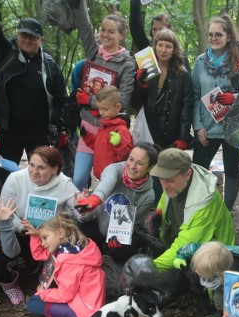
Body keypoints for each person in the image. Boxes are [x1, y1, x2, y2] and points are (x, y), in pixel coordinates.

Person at [0, 0, 67, 166]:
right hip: (8, 131)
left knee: (39, 175)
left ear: (41, 40)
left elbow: (61, 99)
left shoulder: (49, 66)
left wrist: (60, 128)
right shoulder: (6, 54)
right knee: (5, 174)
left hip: (38, 133)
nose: (27, 40)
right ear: (17, 36)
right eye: (23, 35)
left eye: (32, 37)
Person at [71, 0, 136, 191]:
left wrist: (90, 100)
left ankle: (104, 217)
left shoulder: (127, 63)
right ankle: (79, 215)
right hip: (88, 125)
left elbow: (124, 99)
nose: (105, 34)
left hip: (110, 131)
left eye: (111, 31)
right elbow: (84, 27)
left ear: (121, 35)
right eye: (103, 30)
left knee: (107, 181)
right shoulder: (93, 53)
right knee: (78, 179)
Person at [148, 148, 235, 272]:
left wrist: (151, 267)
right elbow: (163, 209)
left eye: (170, 180)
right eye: (161, 178)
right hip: (182, 247)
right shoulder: (173, 184)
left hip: (214, 259)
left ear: (188, 174)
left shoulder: (204, 199)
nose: (165, 185)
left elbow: (186, 244)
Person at [191, 15, 239, 211]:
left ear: (229, 36)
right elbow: (195, 96)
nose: (213, 38)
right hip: (207, 128)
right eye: (210, 34)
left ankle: (225, 211)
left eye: (218, 34)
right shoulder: (200, 62)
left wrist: (235, 98)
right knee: (198, 171)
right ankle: (199, 210)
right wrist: (197, 126)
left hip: (233, 127)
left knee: (231, 170)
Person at [75, 144, 157, 263]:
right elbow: (107, 182)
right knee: (79, 231)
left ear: (150, 168)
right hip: (98, 224)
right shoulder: (114, 169)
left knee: (120, 250)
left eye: (140, 163)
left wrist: (120, 237)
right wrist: (94, 200)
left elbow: (133, 225)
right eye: (131, 159)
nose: (132, 166)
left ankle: (114, 273)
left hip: (119, 232)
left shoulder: (148, 195)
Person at [24, 213, 106, 317]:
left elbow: (65, 295)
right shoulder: (81, 246)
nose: (42, 243)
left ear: (60, 233)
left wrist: (43, 293)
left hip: (86, 308)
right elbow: (40, 254)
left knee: (32, 302)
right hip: (91, 300)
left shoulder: (68, 261)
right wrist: (36, 236)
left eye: (45, 238)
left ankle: (72, 315)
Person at [0, 146, 78, 265]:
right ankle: (25, 264)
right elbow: (5, 211)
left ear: (55, 169)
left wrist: (84, 205)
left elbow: (80, 215)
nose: (34, 171)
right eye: (31, 165)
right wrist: (23, 229)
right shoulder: (15, 178)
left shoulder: (65, 183)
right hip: (22, 228)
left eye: (41, 168)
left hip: (53, 233)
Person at [131, 29, 193, 153]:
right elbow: (135, 103)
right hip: (148, 127)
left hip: (171, 131)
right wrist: (140, 84)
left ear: (174, 49)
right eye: (160, 45)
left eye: (168, 46)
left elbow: (187, 107)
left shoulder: (183, 75)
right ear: (155, 46)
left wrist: (183, 137)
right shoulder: (146, 69)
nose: (163, 50)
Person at [175, 241, 239, 311]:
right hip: (220, 284)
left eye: (201, 271)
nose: (196, 271)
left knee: (232, 304)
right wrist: (180, 256)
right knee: (218, 303)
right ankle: (220, 312)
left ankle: (226, 315)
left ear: (217, 273)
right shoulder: (204, 254)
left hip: (232, 287)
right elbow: (190, 248)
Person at [79, 86, 132, 179]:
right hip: (103, 175)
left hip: (114, 177)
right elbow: (97, 145)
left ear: (118, 107)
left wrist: (119, 144)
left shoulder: (121, 129)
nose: (101, 113)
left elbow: (128, 157)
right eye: (99, 109)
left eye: (105, 109)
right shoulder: (104, 125)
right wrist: (86, 135)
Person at [128, 1, 191, 72]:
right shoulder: (147, 50)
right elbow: (135, 27)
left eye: (161, 29)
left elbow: (187, 80)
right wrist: (135, 3)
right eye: (154, 29)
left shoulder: (180, 55)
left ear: (169, 30)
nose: (157, 33)